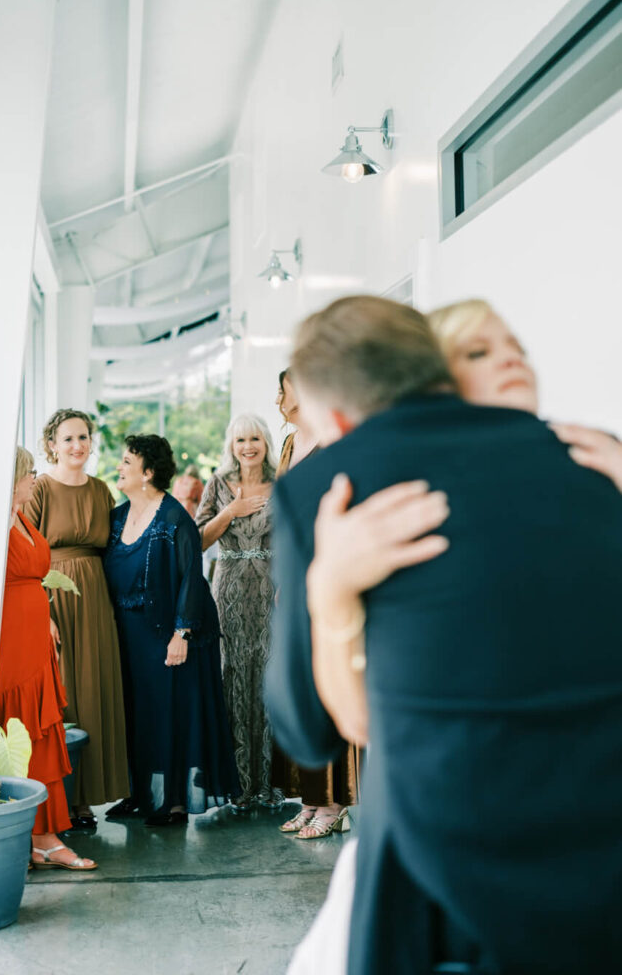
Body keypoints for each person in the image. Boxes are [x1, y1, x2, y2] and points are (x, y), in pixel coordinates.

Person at [266, 295, 622, 975]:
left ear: (335, 416)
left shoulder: (326, 488)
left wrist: (328, 589)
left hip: (443, 874)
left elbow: (309, 733)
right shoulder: (594, 458)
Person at [102, 434, 240, 824]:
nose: (120, 467)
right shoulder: (116, 517)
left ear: (147, 473)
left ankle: (174, 802)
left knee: (170, 714)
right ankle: (138, 795)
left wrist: (182, 633)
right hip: (129, 635)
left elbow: (190, 578)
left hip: (170, 635)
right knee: (135, 715)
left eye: (127, 462)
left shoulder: (174, 517)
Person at [26, 409, 129, 830]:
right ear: (52, 444)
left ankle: (85, 800)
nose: (77, 446)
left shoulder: (102, 490)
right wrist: (40, 611)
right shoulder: (41, 490)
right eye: (68, 439)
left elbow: (115, 550)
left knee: (94, 691)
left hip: (95, 601)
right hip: (53, 598)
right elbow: (24, 553)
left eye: (83, 437)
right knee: (65, 692)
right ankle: (61, 799)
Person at [0, 447, 96, 871]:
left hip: (36, 638)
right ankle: (37, 838)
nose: (35, 477)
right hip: (10, 645)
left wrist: (48, 617)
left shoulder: (21, 516)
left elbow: (33, 579)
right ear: (13, 476)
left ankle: (43, 837)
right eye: (29, 472)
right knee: (23, 735)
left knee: (43, 732)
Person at [274, 369, 355, 839]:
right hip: (293, 575)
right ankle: (309, 798)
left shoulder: (332, 440)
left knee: (326, 683)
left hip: (325, 573)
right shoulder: (288, 446)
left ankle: (333, 801)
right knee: (300, 685)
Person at [195, 414, 279, 811]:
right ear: (231, 445)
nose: (248, 446)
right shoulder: (217, 484)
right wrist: (233, 510)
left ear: (266, 443)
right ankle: (234, 784)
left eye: (255, 438)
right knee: (231, 676)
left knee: (267, 676)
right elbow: (195, 541)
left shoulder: (282, 483)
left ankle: (269, 783)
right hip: (227, 588)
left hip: (270, 591)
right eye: (241, 439)